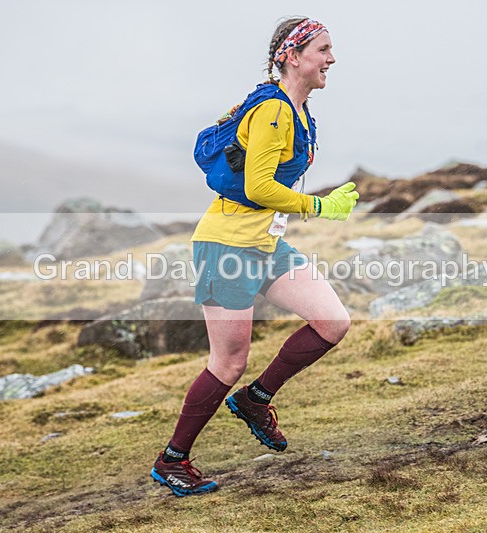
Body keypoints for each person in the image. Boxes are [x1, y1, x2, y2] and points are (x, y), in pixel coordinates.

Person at [150, 17, 359, 497]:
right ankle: (172, 460)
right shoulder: (273, 111)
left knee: (333, 322)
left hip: (266, 243)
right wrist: (320, 207)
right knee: (228, 361)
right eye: (323, 49)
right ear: (292, 56)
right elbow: (259, 187)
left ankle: (255, 400)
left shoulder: (299, 111)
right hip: (227, 245)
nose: (331, 59)